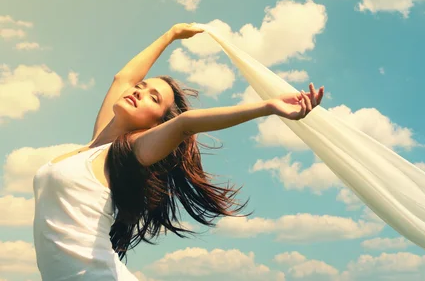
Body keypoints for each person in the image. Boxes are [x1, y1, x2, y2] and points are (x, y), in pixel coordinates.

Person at [33, 23, 325, 280]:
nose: (138, 91)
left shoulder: (131, 152)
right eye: (142, 87)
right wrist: (170, 34)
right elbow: (122, 79)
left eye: (153, 97)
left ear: (154, 126)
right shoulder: (95, 146)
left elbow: (185, 124)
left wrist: (268, 106)